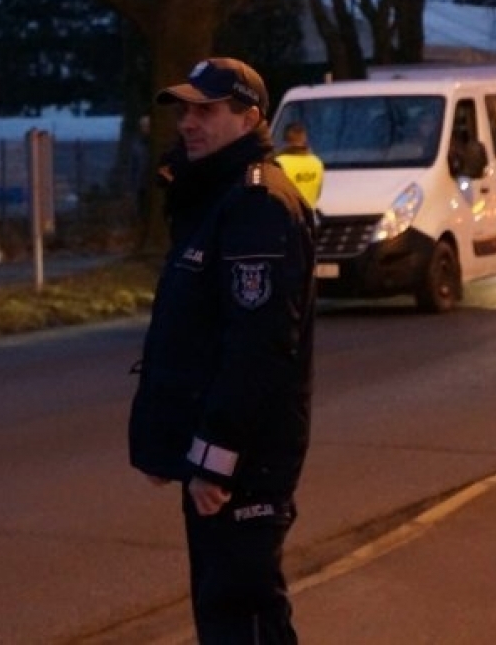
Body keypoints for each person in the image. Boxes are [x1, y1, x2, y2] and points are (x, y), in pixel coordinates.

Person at [129, 57, 317, 644]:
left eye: (206, 110)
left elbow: (258, 346)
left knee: (245, 618)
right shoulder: (212, 197)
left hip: (244, 463)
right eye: (184, 109)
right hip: (221, 456)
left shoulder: (255, 204)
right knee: (226, 614)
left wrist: (215, 456)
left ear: (249, 117)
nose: (188, 122)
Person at [274, 121, 325, 209]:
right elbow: (318, 194)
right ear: (304, 139)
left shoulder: (278, 163)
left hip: (288, 217)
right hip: (309, 218)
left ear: (285, 140)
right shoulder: (317, 163)